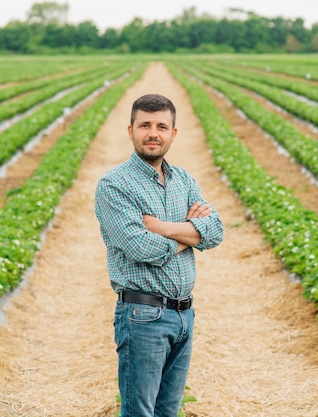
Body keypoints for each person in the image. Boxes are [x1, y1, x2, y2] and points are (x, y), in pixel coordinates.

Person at [94, 93, 224, 417]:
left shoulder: (184, 180)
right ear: (131, 130)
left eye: (162, 126)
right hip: (142, 315)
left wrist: (164, 227)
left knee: (168, 412)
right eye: (145, 125)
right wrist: (189, 233)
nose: (153, 133)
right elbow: (141, 247)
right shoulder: (114, 185)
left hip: (184, 315)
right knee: (140, 412)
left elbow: (216, 231)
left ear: (173, 133)